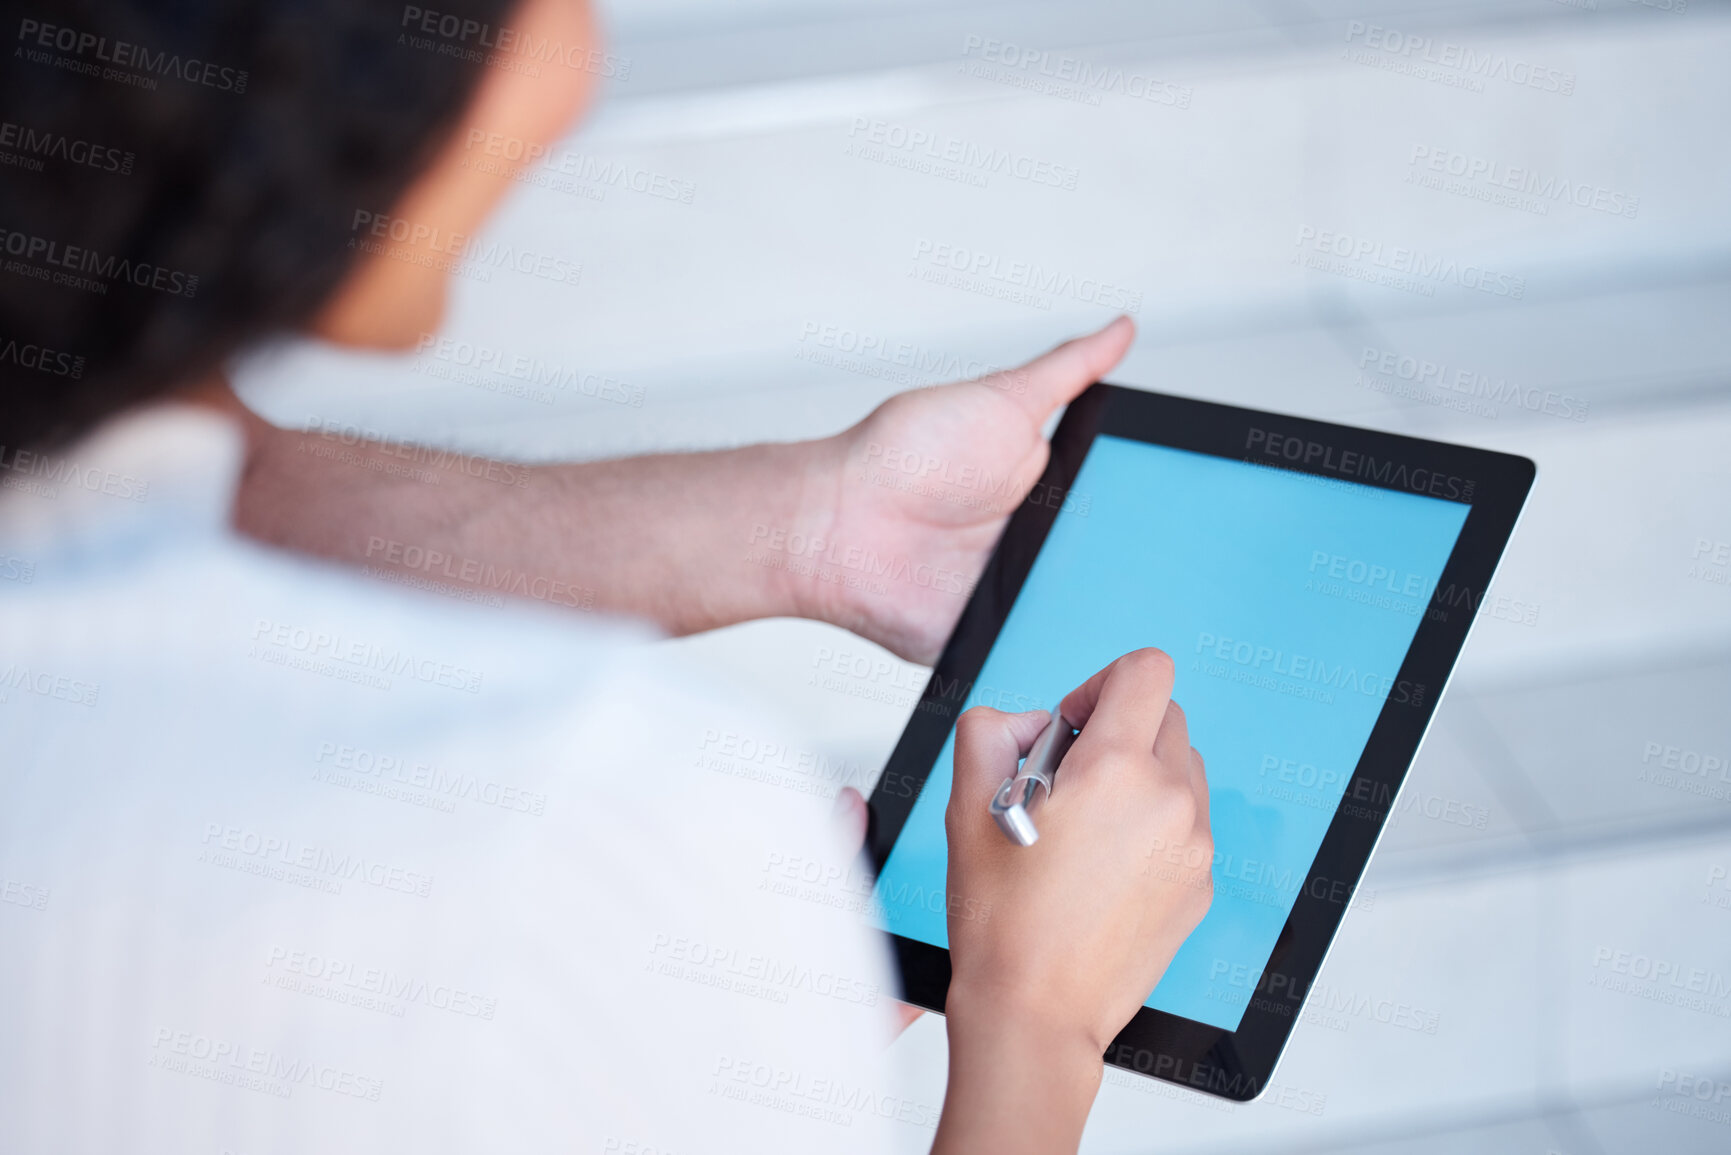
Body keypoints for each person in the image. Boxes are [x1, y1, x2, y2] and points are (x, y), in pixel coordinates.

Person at [0, 1, 1214, 1151]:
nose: (572, 79)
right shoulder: (570, 817)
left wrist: (820, 525)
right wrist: (1037, 1025)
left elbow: (169, 489)